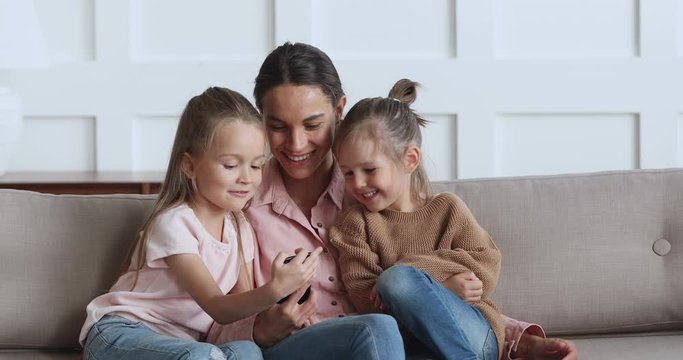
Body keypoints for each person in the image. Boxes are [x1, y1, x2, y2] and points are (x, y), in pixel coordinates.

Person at [209, 42, 578, 360]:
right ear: (261, 121)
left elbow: (438, 293)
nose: (296, 144)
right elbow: (206, 322)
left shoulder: (378, 189)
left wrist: (517, 342)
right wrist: (261, 330)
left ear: (339, 110)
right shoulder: (238, 205)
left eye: (312, 124)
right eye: (277, 126)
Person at [79, 86, 323, 360]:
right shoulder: (174, 224)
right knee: (203, 356)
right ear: (190, 166)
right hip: (121, 334)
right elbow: (218, 307)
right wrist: (274, 288)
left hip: (189, 347)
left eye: (256, 166)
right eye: (231, 165)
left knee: (246, 351)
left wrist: (285, 311)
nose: (246, 178)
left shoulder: (240, 229)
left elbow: (237, 315)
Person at [329, 78, 503, 359]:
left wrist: (410, 273)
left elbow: (485, 265)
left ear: (409, 159)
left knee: (394, 281)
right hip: (414, 347)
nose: (358, 183)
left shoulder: (447, 208)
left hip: (474, 336)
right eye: (348, 173)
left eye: (369, 169)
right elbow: (367, 300)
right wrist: (444, 287)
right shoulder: (354, 225)